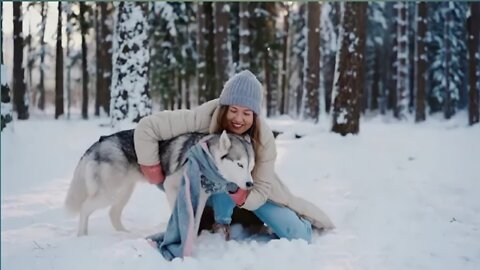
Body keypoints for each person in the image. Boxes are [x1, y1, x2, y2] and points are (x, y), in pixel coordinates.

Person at [134, 70, 334, 242]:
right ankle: (215, 221)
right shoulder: (204, 117)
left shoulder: (263, 140)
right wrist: (151, 168)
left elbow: (263, 187)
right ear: (224, 108)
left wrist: (242, 197)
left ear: (254, 115)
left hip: (253, 193)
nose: (239, 119)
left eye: (247, 113)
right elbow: (147, 127)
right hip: (214, 194)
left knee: (297, 234)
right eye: (234, 110)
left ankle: (293, 220)